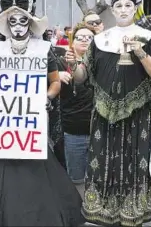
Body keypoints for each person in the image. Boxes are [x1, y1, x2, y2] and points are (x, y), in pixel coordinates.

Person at [0, 0, 84, 226]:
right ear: (6, 24)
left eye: (22, 20)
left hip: (31, 122)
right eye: (12, 21)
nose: (17, 26)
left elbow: (55, 81)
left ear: (31, 22)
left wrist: (46, 97)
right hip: (3, 125)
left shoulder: (43, 49)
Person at [67, 0, 151, 226]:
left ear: (136, 8)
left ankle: (133, 211)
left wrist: (140, 52)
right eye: (119, 6)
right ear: (113, 10)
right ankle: (102, 210)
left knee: (134, 162)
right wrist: (75, 65)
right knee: (102, 162)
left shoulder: (149, 37)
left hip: (139, 115)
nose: (124, 9)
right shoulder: (99, 40)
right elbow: (82, 77)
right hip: (103, 115)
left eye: (128, 5)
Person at [58, 23, 94, 196]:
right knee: (77, 178)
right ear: (72, 41)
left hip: (99, 131)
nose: (85, 41)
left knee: (98, 178)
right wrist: (56, 76)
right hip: (73, 130)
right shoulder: (60, 62)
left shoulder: (101, 63)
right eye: (80, 37)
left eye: (90, 38)